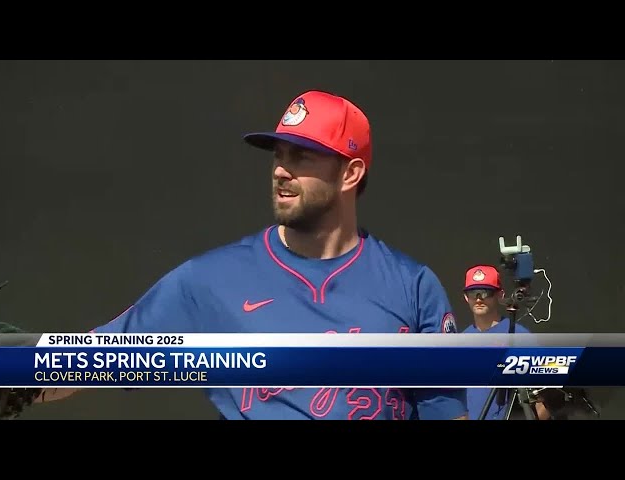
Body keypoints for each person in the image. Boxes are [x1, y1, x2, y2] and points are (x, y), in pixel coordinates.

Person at [33, 90, 468, 420]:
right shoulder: (209, 280)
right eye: (278, 156)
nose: (281, 169)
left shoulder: (413, 287)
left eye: (302, 156)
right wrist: (16, 367)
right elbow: (90, 360)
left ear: (351, 173)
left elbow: (447, 412)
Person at [461, 265, 550, 420]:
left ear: (500, 294)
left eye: (486, 292)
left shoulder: (520, 337)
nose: (479, 298)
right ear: (466, 297)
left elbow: (549, 397)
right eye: (473, 292)